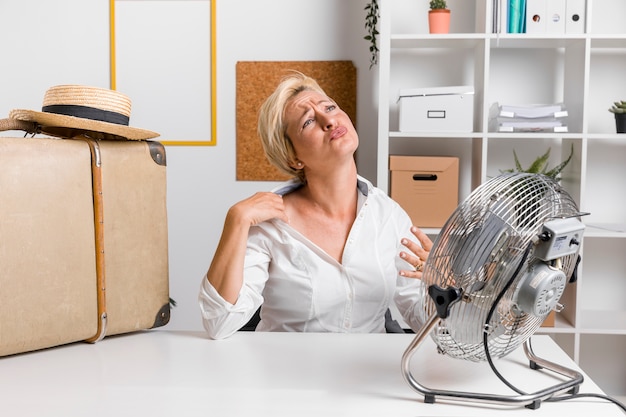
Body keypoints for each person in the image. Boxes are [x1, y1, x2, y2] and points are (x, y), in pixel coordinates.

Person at [198, 72, 432, 339]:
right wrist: (236, 219)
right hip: (287, 374)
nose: (328, 120)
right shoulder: (269, 222)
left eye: (330, 107)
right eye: (308, 121)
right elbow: (219, 323)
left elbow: (419, 317)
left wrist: (440, 288)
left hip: (367, 373)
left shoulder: (389, 216)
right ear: (293, 157)